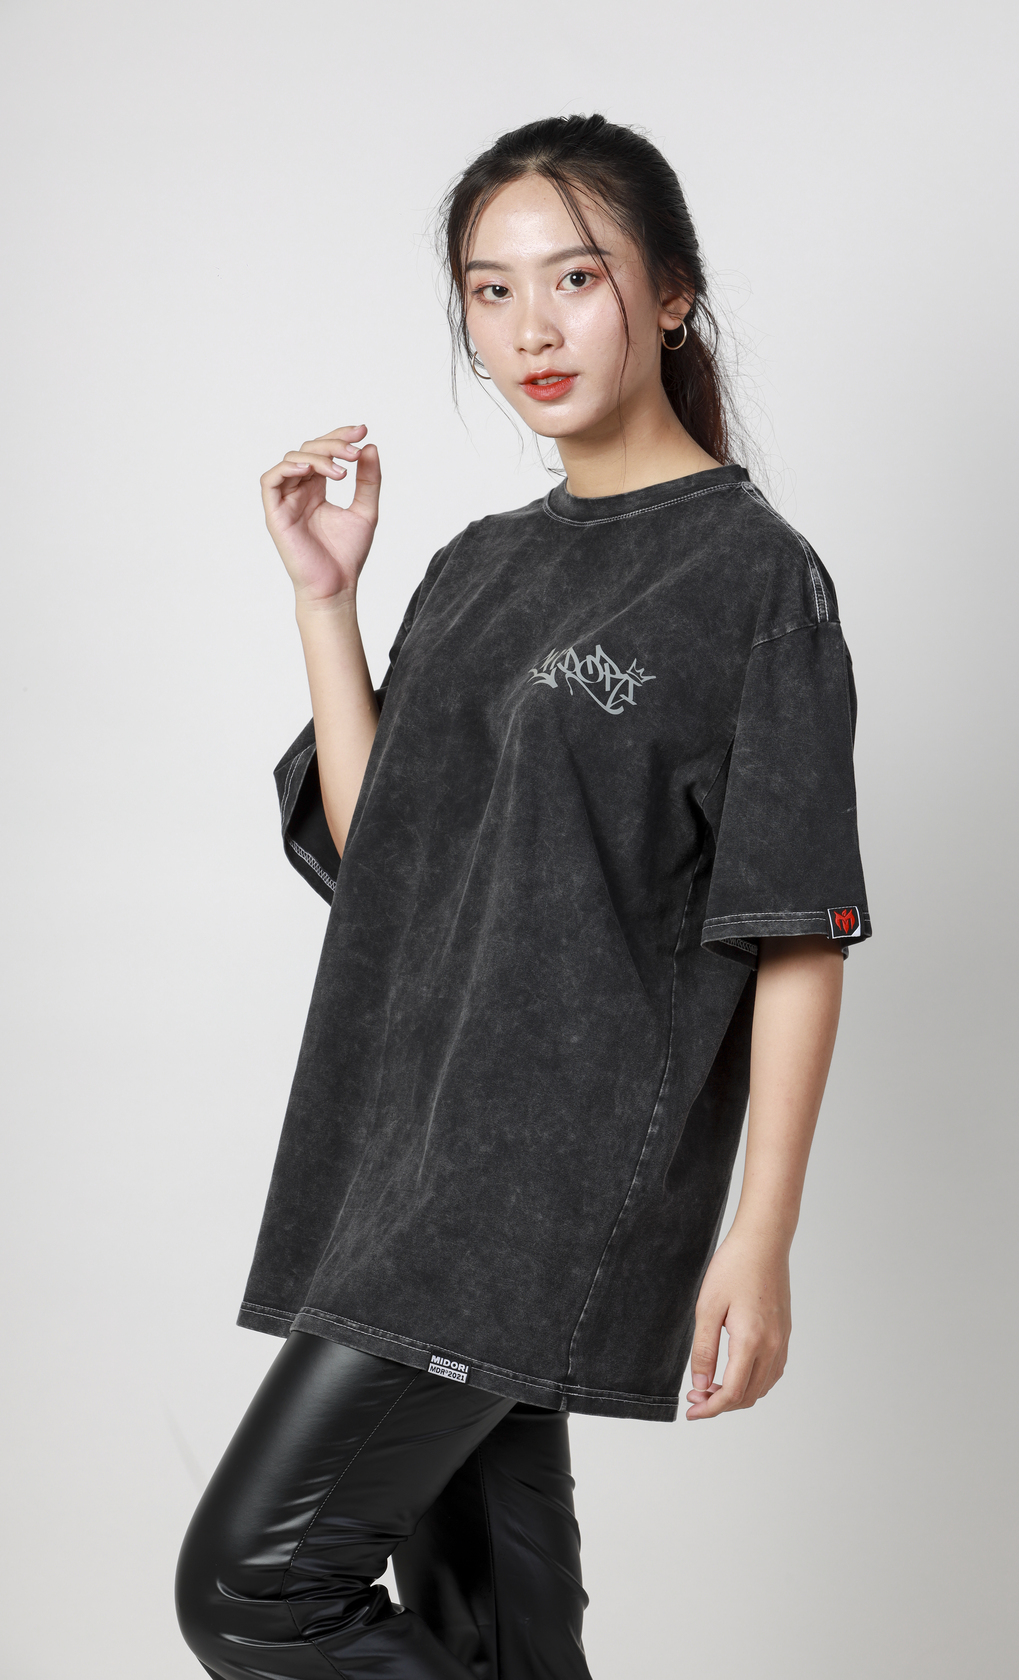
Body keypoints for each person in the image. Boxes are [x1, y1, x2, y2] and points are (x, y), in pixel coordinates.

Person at [176, 113, 871, 1680]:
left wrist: (760, 1236)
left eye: (575, 277)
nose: (531, 329)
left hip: (540, 1177)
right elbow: (381, 857)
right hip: (403, 1150)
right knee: (490, 1631)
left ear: (670, 294)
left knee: (253, 1586)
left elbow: (795, 926)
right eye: (490, 292)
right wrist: (327, 601)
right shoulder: (480, 565)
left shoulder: (751, 578)